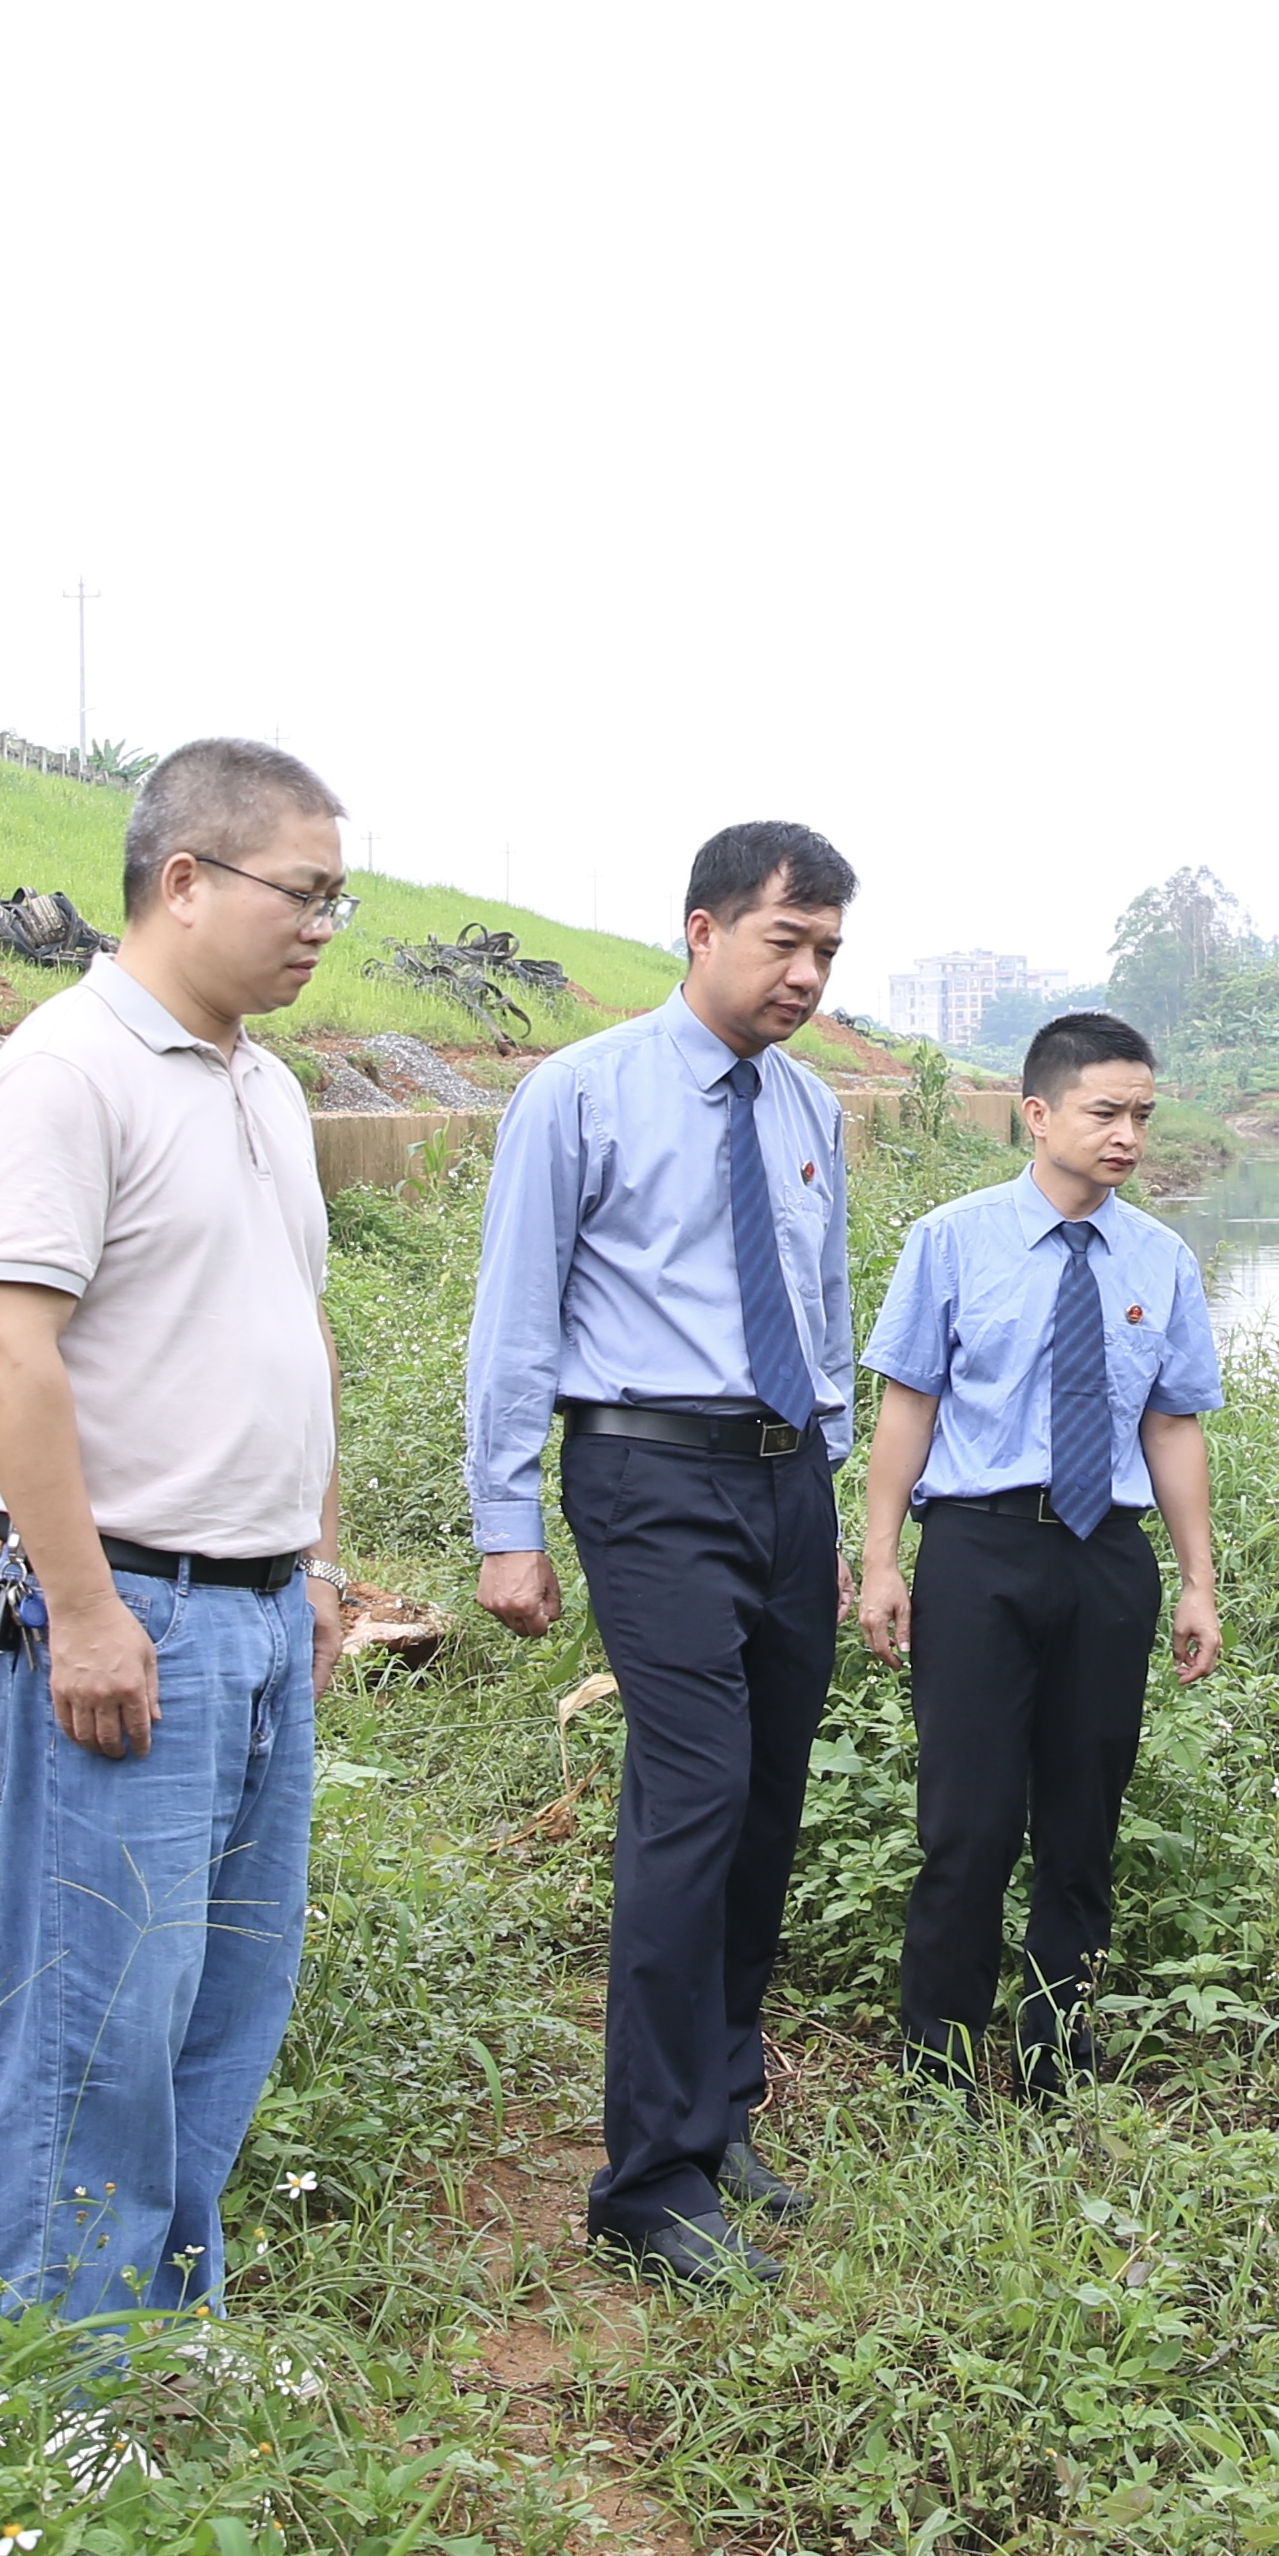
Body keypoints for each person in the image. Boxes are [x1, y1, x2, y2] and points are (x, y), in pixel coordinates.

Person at [0, 740, 359, 2339]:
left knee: (221, 2003)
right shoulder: (69, 1071)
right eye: (302, 891)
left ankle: (164, 2335)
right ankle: (55, 2391)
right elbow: (10, 1353)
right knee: (99, 2015)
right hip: (132, 1606)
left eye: (340, 894)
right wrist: (83, 1610)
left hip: (255, 1612)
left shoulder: (263, 1080)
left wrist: (316, 1561)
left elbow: (292, 1330)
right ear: (182, 879)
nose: (325, 923)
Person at [461, 822, 857, 2286]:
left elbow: (818, 1310)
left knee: (764, 1801)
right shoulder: (579, 1095)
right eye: (782, 942)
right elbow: (516, 1312)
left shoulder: (810, 1106)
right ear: (699, 930)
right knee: (689, 1799)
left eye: (824, 950)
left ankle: (720, 2112)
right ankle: (645, 2181)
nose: (805, 974)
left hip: (783, 1481)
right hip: (646, 1473)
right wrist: (505, 1520)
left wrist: (823, 1497)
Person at [851, 1008, 1223, 2099]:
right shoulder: (951, 1241)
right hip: (979, 1551)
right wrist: (880, 1561)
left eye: (1141, 1116)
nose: (1126, 1137)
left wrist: (1198, 1581)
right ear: (1037, 1114)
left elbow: (1171, 1425)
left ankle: (1057, 2055)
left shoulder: (1161, 1257)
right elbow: (906, 1408)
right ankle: (941, 2065)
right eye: (1104, 1112)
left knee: (1080, 1822)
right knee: (964, 1825)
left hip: (1106, 1561)